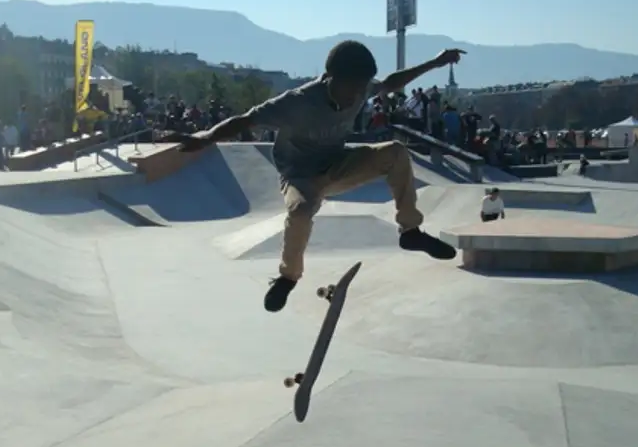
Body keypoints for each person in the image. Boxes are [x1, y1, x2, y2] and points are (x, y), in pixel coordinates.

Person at [175, 40, 463, 312]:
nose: (354, 96)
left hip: (338, 164)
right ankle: (288, 277)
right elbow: (245, 119)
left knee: (396, 152)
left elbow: (392, 82)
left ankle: (410, 232)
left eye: (360, 89)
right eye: (350, 88)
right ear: (329, 78)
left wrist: (436, 63)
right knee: (301, 211)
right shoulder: (297, 102)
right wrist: (205, 137)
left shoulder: (361, 88)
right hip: (300, 176)